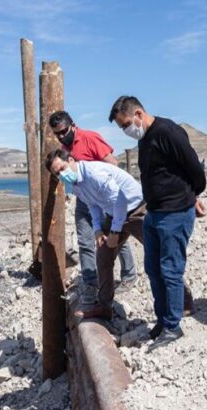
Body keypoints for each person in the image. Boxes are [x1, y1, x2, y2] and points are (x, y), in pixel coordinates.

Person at [109, 96, 206, 345]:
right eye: (122, 127)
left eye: (126, 124)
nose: (126, 130)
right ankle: (162, 321)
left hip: (174, 213)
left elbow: (194, 168)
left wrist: (191, 196)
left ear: (139, 114)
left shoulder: (167, 132)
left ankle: (173, 326)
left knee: (171, 270)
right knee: (153, 269)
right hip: (153, 212)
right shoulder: (145, 140)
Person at [48, 111, 138, 304]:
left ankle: (129, 275)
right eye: (57, 134)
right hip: (84, 195)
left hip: (107, 194)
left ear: (73, 125)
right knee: (86, 237)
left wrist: (108, 192)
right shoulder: (65, 148)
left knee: (119, 232)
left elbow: (112, 164)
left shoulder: (89, 138)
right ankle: (91, 280)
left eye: (63, 131)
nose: (61, 136)